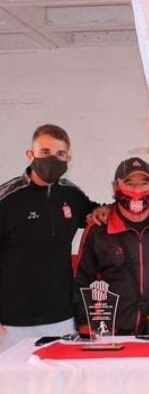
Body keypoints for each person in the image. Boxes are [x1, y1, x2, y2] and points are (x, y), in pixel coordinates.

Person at [0, 124, 98, 351]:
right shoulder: (7, 199)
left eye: (60, 154)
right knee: (9, 386)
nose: (52, 159)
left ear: (68, 158)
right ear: (30, 154)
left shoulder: (72, 194)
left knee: (60, 386)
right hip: (11, 322)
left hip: (60, 318)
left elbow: (97, 213)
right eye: (45, 152)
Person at [73, 157, 149, 335]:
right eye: (129, 183)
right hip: (112, 334)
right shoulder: (98, 230)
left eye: (144, 183)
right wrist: (85, 326)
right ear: (115, 186)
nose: (137, 190)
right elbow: (82, 281)